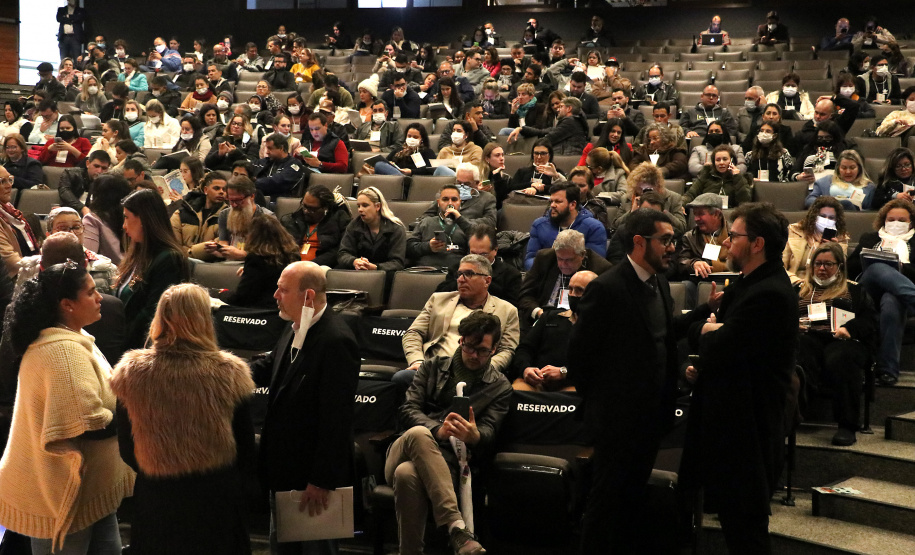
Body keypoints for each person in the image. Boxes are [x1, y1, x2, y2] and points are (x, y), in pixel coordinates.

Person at [567, 208, 687, 553]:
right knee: (605, 506)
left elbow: (661, 338)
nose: (671, 247)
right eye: (665, 240)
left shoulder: (659, 282)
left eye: (673, 240)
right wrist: (605, 406)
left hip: (652, 421)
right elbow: (580, 358)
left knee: (632, 504)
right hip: (616, 424)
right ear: (639, 242)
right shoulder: (607, 288)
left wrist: (703, 315)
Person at [680, 202, 797, 555]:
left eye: (734, 235)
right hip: (729, 420)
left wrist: (707, 331)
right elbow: (718, 339)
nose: (727, 243)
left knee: (746, 529)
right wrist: (710, 330)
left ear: (758, 243)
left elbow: (723, 343)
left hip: (750, 425)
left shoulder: (771, 292)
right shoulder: (747, 283)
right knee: (734, 522)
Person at [110, 283, 255, 555]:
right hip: (215, 499)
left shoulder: (132, 372)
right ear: (204, 319)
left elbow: (127, 449)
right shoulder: (230, 372)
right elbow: (246, 447)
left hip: (158, 500)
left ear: (160, 318)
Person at [0, 261, 134, 553]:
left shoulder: (76, 338)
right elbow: (89, 424)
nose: (100, 297)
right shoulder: (62, 351)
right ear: (67, 304)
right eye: (90, 292)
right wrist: (137, 415)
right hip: (62, 496)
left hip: (90, 491)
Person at [249, 261, 359, 554]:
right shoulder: (296, 325)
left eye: (283, 290)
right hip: (284, 471)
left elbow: (336, 418)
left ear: (308, 296)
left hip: (311, 480)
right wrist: (225, 372)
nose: (275, 295)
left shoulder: (336, 341)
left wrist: (321, 480)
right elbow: (271, 365)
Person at [387, 310, 510, 555]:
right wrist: (439, 431)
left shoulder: (499, 387)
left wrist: (475, 436)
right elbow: (407, 409)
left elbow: (490, 432)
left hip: (448, 465)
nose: (474, 355)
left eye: (483, 350)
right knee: (420, 434)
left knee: (407, 474)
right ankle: (456, 527)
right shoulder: (432, 367)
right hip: (404, 449)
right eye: (470, 347)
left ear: (495, 348)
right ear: (461, 340)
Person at [794, 243, 876, 446]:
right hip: (809, 337)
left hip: (843, 338)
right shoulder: (798, 290)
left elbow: (870, 321)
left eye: (828, 264)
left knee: (842, 358)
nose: (822, 269)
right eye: (818, 264)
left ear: (840, 266)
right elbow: (781, 316)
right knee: (798, 347)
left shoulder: (854, 290)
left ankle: (847, 425)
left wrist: (850, 330)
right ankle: (797, 411)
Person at [401, 254, 519, 377]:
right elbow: (413, 333)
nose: (461, 279)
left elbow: (507, 350)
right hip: (431, 368)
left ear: (487, 281)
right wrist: (417, 361)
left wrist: (484, 370)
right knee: (402, 378)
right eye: (459, 274)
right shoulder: (438, 300)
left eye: (469, 274)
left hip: (475, 373)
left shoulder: (507, 311)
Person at [847, 199, 915, 386]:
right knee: (876, 267)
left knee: (892, 301)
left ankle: (888, 370)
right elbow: (849, 269)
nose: (895, 223)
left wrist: (901, 267)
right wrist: (868, 259)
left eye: (901, 220)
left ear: (911, 222)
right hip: (867, 292)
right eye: (891, 219)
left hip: (900, 297)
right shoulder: (870, 238)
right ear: (883, 220)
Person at [115, 189, 190, 350]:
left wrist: (119, 343)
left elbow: (153, 313)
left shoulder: (169, 259)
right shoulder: (139, 253)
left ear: (143, 219)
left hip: (145, 349)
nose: (124, 225)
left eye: (127, 218)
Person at [520, 227, 610, 328]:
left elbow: (601, 307)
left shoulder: (600, 268)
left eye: (569, 260)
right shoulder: (544, 258)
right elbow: (525, 295)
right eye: (559, 258)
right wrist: (540, 314)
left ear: (582, 254)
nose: (563, 264)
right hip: (543, 318)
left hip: (579, 324)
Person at [524, 183, 606, 270]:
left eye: (558, 202)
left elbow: (595, 264)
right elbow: (529, 260)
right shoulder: (539, 225)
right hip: (546, 278)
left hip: (579, 279)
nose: (552, 205)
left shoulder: (593, 227)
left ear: (572, 205)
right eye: (551, 201)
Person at [223, 216, 298, 308]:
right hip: (286, 307)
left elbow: (243, 296)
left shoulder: (255, 258)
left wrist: (221, 295)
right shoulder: (293, 254)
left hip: (260, 311)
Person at [337, 186, 407, 274]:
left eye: (365, 205)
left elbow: (397, 263)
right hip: (357, 272)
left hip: (385, 275)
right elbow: (343, 254)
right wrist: (354, 261)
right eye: (358, 206)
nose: (360, 210)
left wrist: (376, 267)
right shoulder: (354, 225)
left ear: (377, 206)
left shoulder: (395, 228)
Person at [785, 196, 849, 286]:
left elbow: (840, 273)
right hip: (794, 283)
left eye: (831, 218)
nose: (826, 220)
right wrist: (798, 282)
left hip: (824, 286)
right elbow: (780, 266)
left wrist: (833, 250)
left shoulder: (841, 240)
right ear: (814, 216)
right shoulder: (794, 231)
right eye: (822, 216)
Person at [406, 184, 474, 269]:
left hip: (456, 272)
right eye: (445, 199)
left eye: (454, 199)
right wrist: (428, 247)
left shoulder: (467, 225)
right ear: (438, 203)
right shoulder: (426, 222)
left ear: (460, 202)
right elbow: (409, 248)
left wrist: (460, 219)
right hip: (427, 270)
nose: (450, 203)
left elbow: (478, 245)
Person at [608, 162, 687, 234]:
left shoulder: (673, 198)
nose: (645, 194)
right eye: (640, 190)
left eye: (648, 190)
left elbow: (682, 228)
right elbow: (615, 227)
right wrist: (632, 212)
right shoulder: (628, 198)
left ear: (658, 186)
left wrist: (662, 212)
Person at [208, 177, 275, 262]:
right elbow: (224, 242)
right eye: (231, 201)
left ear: (252, 196)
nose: (234, 205)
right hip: (228, 264)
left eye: (238, 200)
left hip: (256, 266)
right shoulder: (224, 214)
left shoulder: (267, 218)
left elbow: (271, 253)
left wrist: (244, 255)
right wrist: (218, 249)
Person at [171, 171, 228, 260]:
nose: (221, 192)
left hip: (211, 266)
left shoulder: (228, 216)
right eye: (216, 188)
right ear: (205, 190)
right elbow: (173, 243)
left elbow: (218, 246)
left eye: (224, 189)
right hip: (180, 263)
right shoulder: (183, 212)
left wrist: (189, 252)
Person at [677, 193, 730, 279]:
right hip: (703, 280)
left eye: (701, 214)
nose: (696, 219)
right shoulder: (690, 237)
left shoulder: (735, 234)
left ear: (717, 214)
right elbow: (681, 262)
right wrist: (693, 263)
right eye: (695, 214)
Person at [0, 166, 40, 278]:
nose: (9, 185)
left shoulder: (9, 209)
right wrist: (44, 265)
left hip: (29, 272)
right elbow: (10, 262)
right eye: (2, 181)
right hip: (11, 283)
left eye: (10, 179)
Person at [83, 174, 131, 265]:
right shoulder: (132, 217)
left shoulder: (92, 219)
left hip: (112, 275)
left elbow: (89, 259)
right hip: (135, 270)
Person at [682, 145, 752, 207]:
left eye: (725, 159)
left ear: (732, 161)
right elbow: (690, 194)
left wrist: (737, 176)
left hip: (731, 214)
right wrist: (681, 205)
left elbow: (745, 202)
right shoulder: (706, 175)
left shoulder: (739, 178)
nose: (721, 163)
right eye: (718, 160)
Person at [805, 150, 875, 211]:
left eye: (852, 168)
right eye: (844, 168)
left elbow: (871, 211)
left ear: (859, 168)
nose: (848, 172)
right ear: (838, 168)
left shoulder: (869, 187)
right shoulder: (824, 182)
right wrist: (827, 204)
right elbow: (809, 201)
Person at [372, 123, 436, 178]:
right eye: (409, 136)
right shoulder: (398, 150)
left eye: (415, 137)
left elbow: (430, 170)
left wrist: (411, 172)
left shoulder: (427, 152)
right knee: (379, 164)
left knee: (379, 165)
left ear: (422, 139)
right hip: (394, 179)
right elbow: (386, 161)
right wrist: (390, 164)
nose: (411, 139)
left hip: (412, 179)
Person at [252, 133, 306, 197]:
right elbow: (247, 168)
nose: (267, 152)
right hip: (258, 198)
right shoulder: (264, 161)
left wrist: (252, 183)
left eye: (270, 148)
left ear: (281, 148)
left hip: (280, 201)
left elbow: (276, 182)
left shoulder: (294, 165)